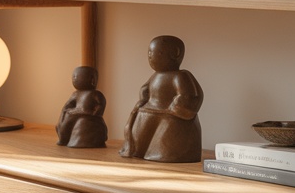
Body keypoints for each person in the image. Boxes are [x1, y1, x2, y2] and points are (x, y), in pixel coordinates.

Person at [120, 35, 203, 163]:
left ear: (175, 53)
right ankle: (138, 149)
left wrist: (175, 106)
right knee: (141, 117)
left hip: (171, 113)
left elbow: (187, 95)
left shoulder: (180, 76)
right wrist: (144, 96)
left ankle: (159, 152)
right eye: (149, 52)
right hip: (151, 110)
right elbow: (146, 89)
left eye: (155, 52)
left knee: (167, 123)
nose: (150, 56)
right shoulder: (155, 76)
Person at [56, 66, 108, 148]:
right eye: (73, 77)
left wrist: (91, 112)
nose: (74, 79)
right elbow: (68, 105)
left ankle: (69, 139)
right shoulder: (75, 94)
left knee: (78, 122)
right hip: (74, 114)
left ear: (92, 80)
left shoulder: (95, 94)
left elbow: (100, 106)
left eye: (76, 76)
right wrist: (66, 112)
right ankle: (63, 138)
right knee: (65, 121)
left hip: (88, 116)